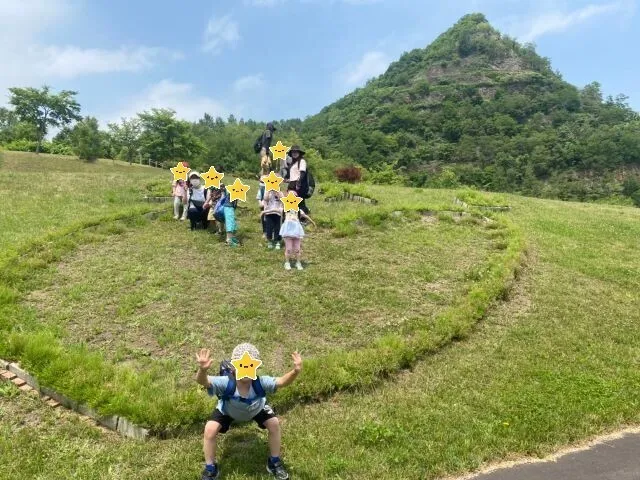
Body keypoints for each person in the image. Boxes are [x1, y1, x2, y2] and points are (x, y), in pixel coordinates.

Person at [196, 344, 303, 480]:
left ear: (256, 367)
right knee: (209, 429)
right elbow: (203, 382)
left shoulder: (261, 382)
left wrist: (295, 372)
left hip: (256, 409)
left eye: (250, 365)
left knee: (274, 423)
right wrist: (202, 370)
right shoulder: (226, 383)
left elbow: (281, 382)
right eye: (241, 365)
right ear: (232, 367)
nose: (246, 369)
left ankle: (274, 462)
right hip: (228, 410)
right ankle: (210, 468)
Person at [279, 191, 315, 271]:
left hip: (296, 232)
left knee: (297, 248)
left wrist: (313, 222)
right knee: (288, 248)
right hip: (287, 232)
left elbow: (305, 216)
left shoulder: (299, 210)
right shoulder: (283, 210)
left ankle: (298, 263)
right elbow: (275, 208)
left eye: (295, 196)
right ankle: (287, 263)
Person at [285, 145, 310, 215]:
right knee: (292, 201)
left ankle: (304, 215)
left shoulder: (302, 161)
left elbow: (302, 172)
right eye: (293, 152)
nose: (294, 153)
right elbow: (293, 175)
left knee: (299, 201)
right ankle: (300, 214)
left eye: (296, 152)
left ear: (299, 153)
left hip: (299, 184)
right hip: (292, 184)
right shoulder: (292, 163)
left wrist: (298, 183)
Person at [257, 153, 272, 239]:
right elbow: (260, 190)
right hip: (263, 200)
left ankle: (271, 231)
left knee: (270, 216)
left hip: (270, 201)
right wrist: (260, 200)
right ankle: (265, 232)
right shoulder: (261, 176)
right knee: (264, 216)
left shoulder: (272, 176)